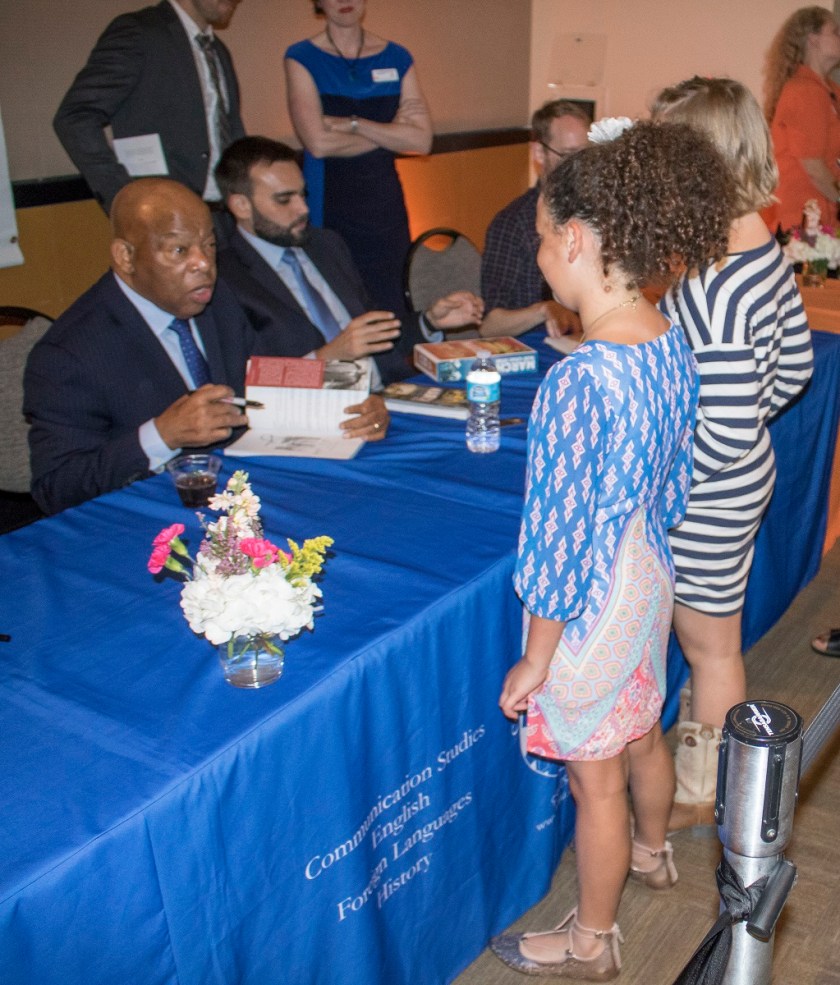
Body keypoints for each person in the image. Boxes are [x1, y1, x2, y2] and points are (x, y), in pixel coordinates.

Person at [492, 121, 733, 980]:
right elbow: (675, 476)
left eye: (540, 239)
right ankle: (653, 851)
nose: (539, 257)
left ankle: (592, 938)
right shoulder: (667, 336)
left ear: (578, 239)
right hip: (648, 571)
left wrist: (535, 658)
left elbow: (555, 548)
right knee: (643, 729)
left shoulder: (580, 381)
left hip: (592, 598)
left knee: (593, 776)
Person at [23, 178, 388, 516]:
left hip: (240, 503)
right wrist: (162, 434)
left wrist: (347, 399)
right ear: (125, 257)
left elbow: (260, 379)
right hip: (142, 522)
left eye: (209, 246)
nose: (203, 264)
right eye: (179, 250)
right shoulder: (69, 354)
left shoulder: (216, 301)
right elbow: (57, 488)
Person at [655, 77, 814, 832]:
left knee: (709, 645)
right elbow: (796, 371)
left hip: (708, 489)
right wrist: (746, 417)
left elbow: (719, 432)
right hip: (737, 478)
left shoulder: (716, 280)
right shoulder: (758, 239)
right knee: (710, 634)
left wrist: (661, 479)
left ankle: (701, 786)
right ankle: (700, 758)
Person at [215, 137, 483, 384]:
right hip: (313, 416)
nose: (303, 209)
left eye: (302, 194)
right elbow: (248, 383)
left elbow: (374, 334)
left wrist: (429, 322)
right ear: (241, 206)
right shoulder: (226, 278)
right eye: (285, 200)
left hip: (387, 393)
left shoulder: (325, 245)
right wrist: (329, 357)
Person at [284, 0, 432, 317]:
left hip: (384, 202)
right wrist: (392, 131)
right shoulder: (301, 57)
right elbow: (319, 144)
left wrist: (353, 123)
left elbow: (421, 140)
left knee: (393, 299)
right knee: (337, 300)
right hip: (328, 197)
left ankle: (395, 368)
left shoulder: (397, 57)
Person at [54, 0, 245, 214]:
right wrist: (126, 200)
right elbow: (75, 117)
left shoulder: (218, 50)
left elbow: (231, 130)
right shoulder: (140, 32)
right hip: (162, 216)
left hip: (227, 218)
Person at [480, 100, 590, 339]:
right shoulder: (512, 223)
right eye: (569, 155)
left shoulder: (595, 213)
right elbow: (490, 325)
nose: (580, 167)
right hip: (536, 349)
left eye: (586, 155)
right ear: (539, 152)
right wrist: (544, 309)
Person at [764, 6, 840, 230]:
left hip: (825, 220)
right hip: (803, 223)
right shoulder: (803, 90)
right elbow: (814, 168)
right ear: (813, 39)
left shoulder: (831, 90)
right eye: (835, 32)